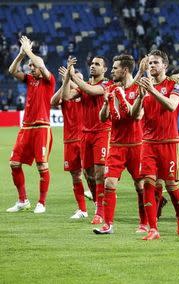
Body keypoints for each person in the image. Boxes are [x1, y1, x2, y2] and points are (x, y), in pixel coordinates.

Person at [131, 49, 179, 240]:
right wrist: (139, 96)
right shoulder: (144, 87)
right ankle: (153, 228)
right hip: (148, 143)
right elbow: (134, 114)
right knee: (148, 183)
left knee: (171, 186)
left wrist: (151, 91)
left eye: (156, 62)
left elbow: (171, 106)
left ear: (165, 65)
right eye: (150, 63)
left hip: (169, 142)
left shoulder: (175, 84)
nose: (152, 65)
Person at [93, 54, 150, 234]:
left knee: (140, 186)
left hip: (136, 146)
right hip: (116, 146)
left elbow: (137, 116)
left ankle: (144, 223)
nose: (112, 71)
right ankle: (108, 225)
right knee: (109, 182)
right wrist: (105, 103)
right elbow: (102, 118)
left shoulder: (139, 88)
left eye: (115, 68)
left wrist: (122, 97)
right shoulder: (110, 88)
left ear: (124, 70)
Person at [7, 36, 55, 213]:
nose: (30, 67)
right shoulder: (30, 80)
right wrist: (21, 54)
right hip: (25, 127)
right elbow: (12, 70)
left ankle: (41, 202)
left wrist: (29, 50)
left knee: (42, 166)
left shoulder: (49, 80)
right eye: (30, 65)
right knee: (14, 163)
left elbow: (40, 64)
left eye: (32, 65)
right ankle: (23, 200)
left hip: (42, 127)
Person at [62, 55, 112, 224]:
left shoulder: (106, 84)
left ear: (104, 69)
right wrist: (67, 78)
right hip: (85, 134)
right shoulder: (83, 87)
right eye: (91, 63)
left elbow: (91, 91)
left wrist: (73, 75)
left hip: (101, 132)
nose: (93, 66)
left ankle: (100, 210)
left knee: (99, 174)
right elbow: (66, 96)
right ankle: (100, 202)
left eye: (97, 64)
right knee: (87, 173)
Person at [50, 59, 88, 219]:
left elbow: (81, 87)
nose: (74, 81)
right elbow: (52, 101)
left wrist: (72, 78)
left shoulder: (87, 93)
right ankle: (83, 210)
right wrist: (66, 80)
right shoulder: (66, 96)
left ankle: (100, 205)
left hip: (86, 138)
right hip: (70, 141)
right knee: (76, 175)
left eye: (77, 78)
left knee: (91, 174)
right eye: (73, 78)